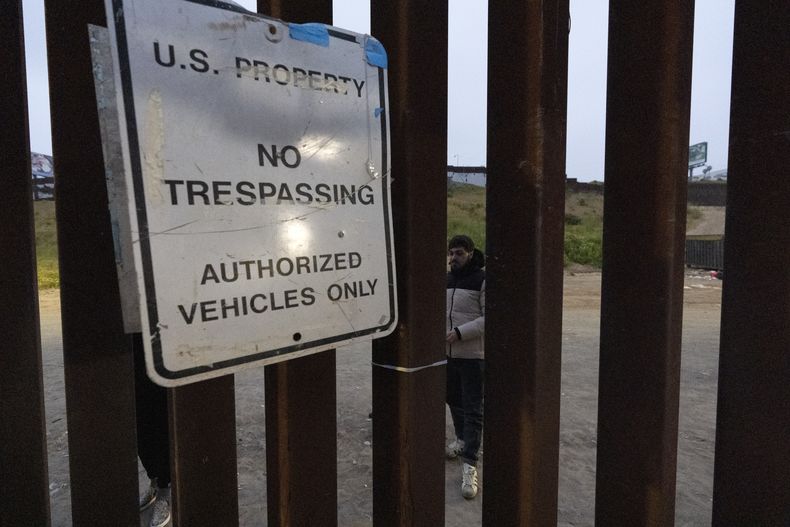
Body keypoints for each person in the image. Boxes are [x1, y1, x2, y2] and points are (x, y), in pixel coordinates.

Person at [445, 234, 485, 499]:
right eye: (451, 253)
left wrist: (460, 333)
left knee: (473, 409)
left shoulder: (482, 279)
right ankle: (461, 440)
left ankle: (470, 465)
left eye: (459, 253)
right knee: (453, 400)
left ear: (470, 253)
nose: (453, 258)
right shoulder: (448, 280)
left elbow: (490, 318)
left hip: (472, 355)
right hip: (449, 355)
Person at [133, 334, 172, 527]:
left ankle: (165, 489)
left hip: (162, 332)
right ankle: (155, 480)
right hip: (131, 333)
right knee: (138, 409)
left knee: (160, 405)